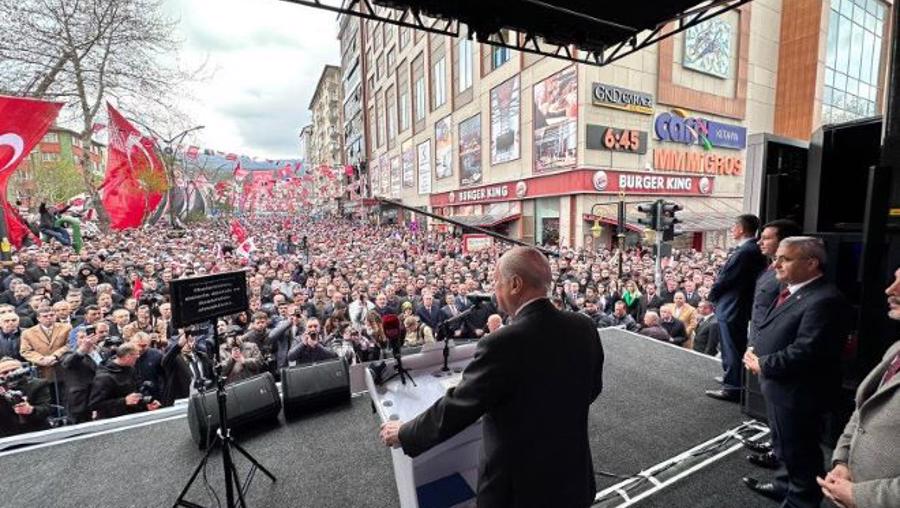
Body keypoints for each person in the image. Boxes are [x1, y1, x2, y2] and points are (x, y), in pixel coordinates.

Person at [379, 246, 604, 508]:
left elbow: (457, 407)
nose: (494, 292)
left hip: (518, 492)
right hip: (572, 480)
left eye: (497, 282)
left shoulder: (502, 343)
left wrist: (406, 432)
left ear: (515, 284)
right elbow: (592, 389)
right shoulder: (584, 326)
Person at [741, 237, 848, 507]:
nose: (775, 264)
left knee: (801, 455)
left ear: (811, 263)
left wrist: (762, 363)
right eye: (777, 257)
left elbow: (806, 351)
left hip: (799, 393)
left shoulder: (825, 300)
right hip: (780, 388)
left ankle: (800, 498)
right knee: (784, 447)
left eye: (785, 259)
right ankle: (783, 485)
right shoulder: (793, 289)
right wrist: (756, 349)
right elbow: (775, 328)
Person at [817, 266, 900, 508]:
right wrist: (842, 461)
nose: (890, 290)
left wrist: (861, 496)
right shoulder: (896, 349)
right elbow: (863, 412)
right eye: (894, 279)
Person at [706, 214, 767, 402]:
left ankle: (732, 388)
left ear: (741, 229)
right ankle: (732, 378)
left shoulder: (744, 251)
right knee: (733, 345)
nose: (732, 230)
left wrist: (712, 295)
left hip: (733, 305)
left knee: (732, 347)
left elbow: (726, 278)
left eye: (734, 227)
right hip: (738, 304)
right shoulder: (751, 249)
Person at [88, 342, 161, 419]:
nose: (138, 358)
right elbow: (95, 405)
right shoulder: (104, 377)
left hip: (132, 415)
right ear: (128, 357)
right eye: (136, 357)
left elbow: (136, 391)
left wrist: (146, 404)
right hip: (113, 420)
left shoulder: (130, 369)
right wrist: (124, 401)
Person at [59, 328, 107, 423]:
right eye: (81, 337)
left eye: (88, 336)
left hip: (102, 397)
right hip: (81, 401)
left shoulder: (103, 352)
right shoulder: (68, 354)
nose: (86, 340)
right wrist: (82, 350)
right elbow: (68, 363)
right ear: (75, 340)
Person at [0, 357, 54, 436]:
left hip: (36, 430)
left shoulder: (37, 384)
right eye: (5, 372)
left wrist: (31, 410)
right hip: (7, 433)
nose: (10, 374)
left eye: (14, 370)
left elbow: (46, 409)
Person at [20, 304, 71, 380]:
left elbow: (70, 344)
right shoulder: (27, 333)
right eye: (45, 316)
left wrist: (55, 356)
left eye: (51, 315)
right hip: (42, 370)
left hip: (62, 367)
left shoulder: (66, 328)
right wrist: (41, 359)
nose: (49, 318)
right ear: (38, 318)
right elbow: (25, 351)